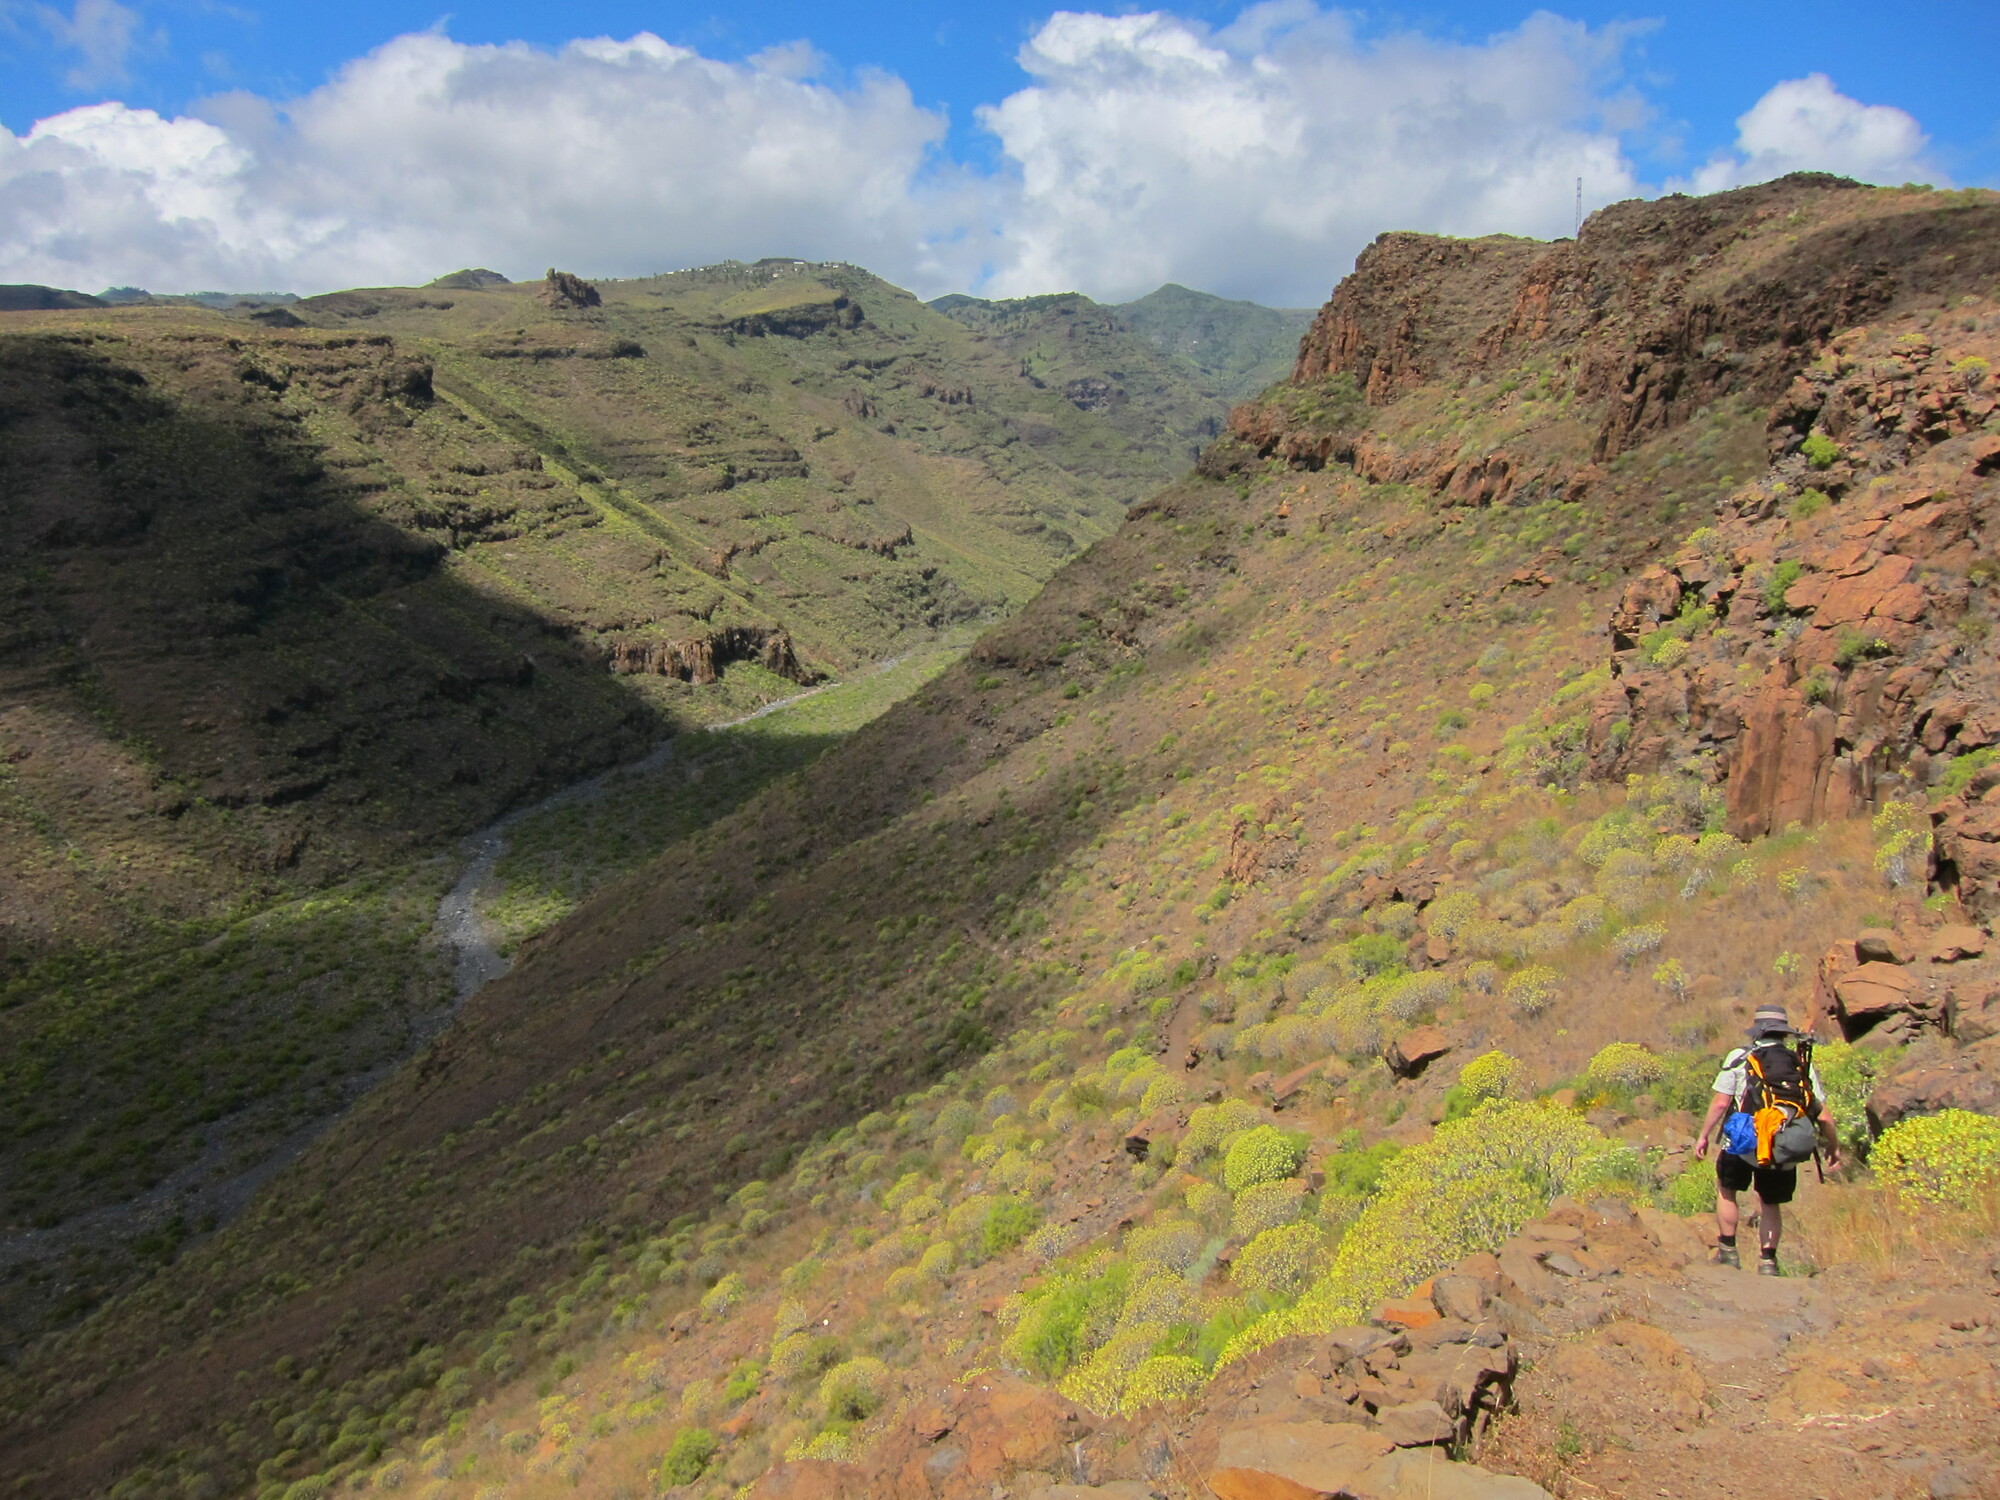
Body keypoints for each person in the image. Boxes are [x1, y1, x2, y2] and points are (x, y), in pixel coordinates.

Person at [1691, 1004, 1841, 1275]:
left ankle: (1728, 1252)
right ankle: (1768, 1261)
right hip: (1781, 1142)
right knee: (1771, 1202)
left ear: (1757, 1031)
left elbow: (1720, 1103)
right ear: (1784, 1033)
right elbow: (1823, 1114)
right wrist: (1833, 1146)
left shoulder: (1740, 1056)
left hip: (1742, 1139)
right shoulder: (1799, 1063)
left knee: (1728, 1190)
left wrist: (1703, 1136)